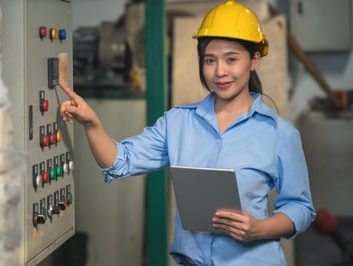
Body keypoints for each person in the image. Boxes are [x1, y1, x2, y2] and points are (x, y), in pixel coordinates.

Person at [58, 0, 316, 265]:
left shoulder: (278, 133)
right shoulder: (178, 122)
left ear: (254, 60)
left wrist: (259, 229)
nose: (220, 72)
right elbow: (119, 161)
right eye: (210, 60)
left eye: (231, 59)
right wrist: (92, 124)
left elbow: (300, 207)